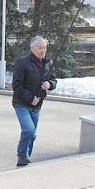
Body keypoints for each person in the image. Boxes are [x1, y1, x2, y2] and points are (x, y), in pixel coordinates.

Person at [12, 36, 57, 167]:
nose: (43, 50)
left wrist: (50, 84)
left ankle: (25, 159)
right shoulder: (22, 62)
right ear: (32, 48)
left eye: (45, 48)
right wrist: (30, 98)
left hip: (37, 105)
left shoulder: (48, 63)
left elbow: (54, 80)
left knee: (33, 135)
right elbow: (16, 85)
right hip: (21, 103)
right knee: (29, 129)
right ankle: (21, 153)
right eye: (40, 47)